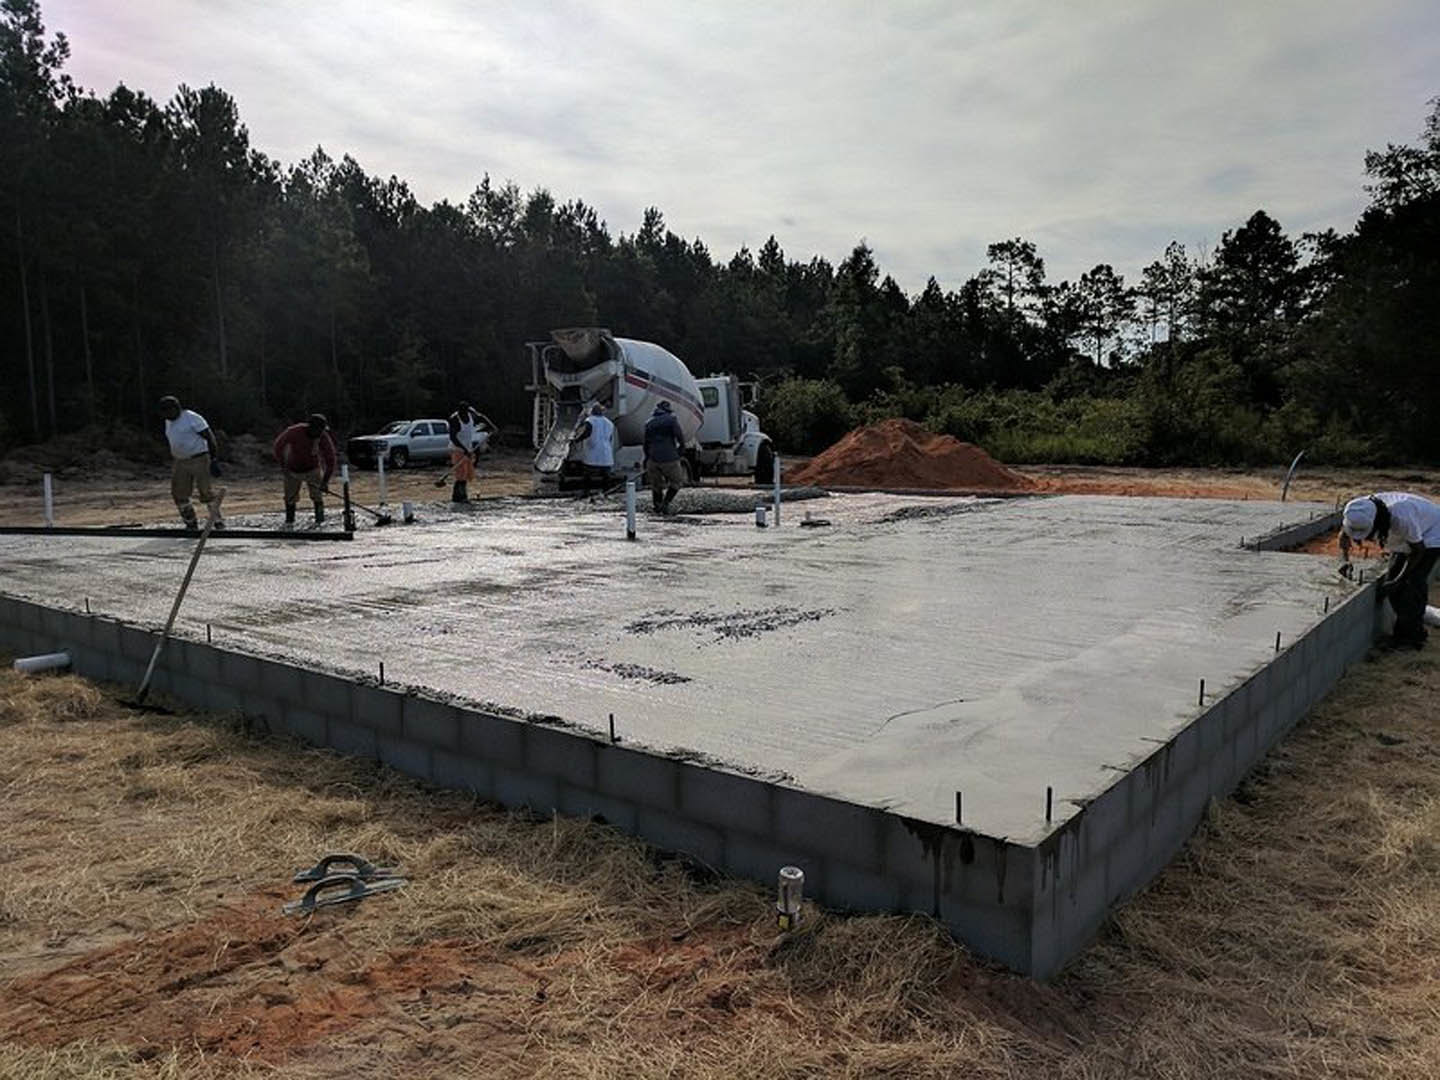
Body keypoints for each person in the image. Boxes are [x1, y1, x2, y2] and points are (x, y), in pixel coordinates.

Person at [1341, 492, 1440, 649]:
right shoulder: (1356, 510)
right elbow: (1346, 533)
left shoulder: (1401, 518)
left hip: (1432, 535)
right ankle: (1405, 632)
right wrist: (1345, 558)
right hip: (1413, 535)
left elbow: (1418, 550)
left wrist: (1398, 580)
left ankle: (1411, 640)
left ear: (1376, 522)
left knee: (1412, 585)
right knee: (1393, 579)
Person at [159, 395, 225, 532]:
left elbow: (209, 437)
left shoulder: (192, 418)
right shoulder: (168, 421)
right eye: (163, 413)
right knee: (178, 493)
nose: (166, 416)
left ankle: (218, 522)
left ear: (176, 409)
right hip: (181, 461)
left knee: (205, 492)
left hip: (199, 459)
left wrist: (214, 460)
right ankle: (190, 522)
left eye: (167, 412)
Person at [273, 413, 338, 526]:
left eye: (322, 430)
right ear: (311, 428)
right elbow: (278, 447)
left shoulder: (323, 436)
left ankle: (320, 522)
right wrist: (283, 466)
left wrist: (325, 482)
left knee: (317, 496)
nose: (320, 433)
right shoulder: (293, 432)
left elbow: (330, 459)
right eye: (318, 430)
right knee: (290, 497)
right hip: (292, 470)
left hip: (313, 469)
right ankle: (289, 522)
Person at [643, 399, 686, 514]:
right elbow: (680, 436)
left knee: (656, 485)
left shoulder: (649, 423)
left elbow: (646, 443)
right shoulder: (671, 420)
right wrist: (681, 450)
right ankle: (665, 503)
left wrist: (647, 458)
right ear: (667, 410)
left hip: (653, 459)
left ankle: (657, 507)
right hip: (669, 458)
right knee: (677, 481)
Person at [571, 402, 616, 497]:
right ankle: (606, 492)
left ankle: (586, 492)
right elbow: (610, 437)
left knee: (588, 474)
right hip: (606, 452)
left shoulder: (590, 421)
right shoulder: (609, 423)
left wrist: (576, 440)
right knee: (606, 475)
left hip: (593, 450)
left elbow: (586, 433)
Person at [447, 400, 485, 503]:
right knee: (461, 475)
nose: (465, 414)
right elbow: (453, 437)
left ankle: (459, 496)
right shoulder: (454, 419)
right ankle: (460, 497)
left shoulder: (471, 415)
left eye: (466, 412)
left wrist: (491, 426)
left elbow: (481, 417)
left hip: (468, 449)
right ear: (459, 411)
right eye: (463, 412)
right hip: (457, 449)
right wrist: (464, 449)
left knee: (467, 473)